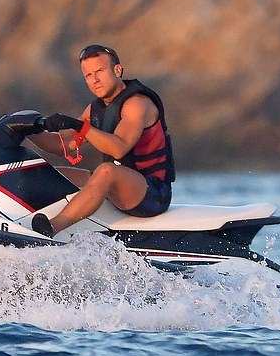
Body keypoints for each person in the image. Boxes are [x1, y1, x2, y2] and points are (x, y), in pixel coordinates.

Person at [30, 44, 175, 237]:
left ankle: (51, 229)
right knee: (47, 173)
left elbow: (119, 148)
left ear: (117, 70)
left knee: (105, 171)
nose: (95, 80)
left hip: (152, 193)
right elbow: (64, 145)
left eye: (99, 71)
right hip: (116, 185)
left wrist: (78, 125)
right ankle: (13, 218)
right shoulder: (96, 109)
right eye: (88, 75)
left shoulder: (137, 104)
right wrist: (27, 130)